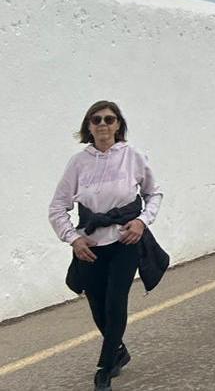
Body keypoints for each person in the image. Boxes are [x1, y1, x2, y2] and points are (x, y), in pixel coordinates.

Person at [49, 101, 165, 391]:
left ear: (118, 125)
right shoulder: (78, 163)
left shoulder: (133, 157)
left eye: (109, 119)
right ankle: (118, 350)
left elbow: (155, 193)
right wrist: (73, 238)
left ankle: (103, 368)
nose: (103, 124)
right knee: (98, 306)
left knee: (115, 301)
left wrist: (141, 222)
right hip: (90, 246)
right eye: (96, 119)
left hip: (125, 241)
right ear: (88, 126)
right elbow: (57, 208)